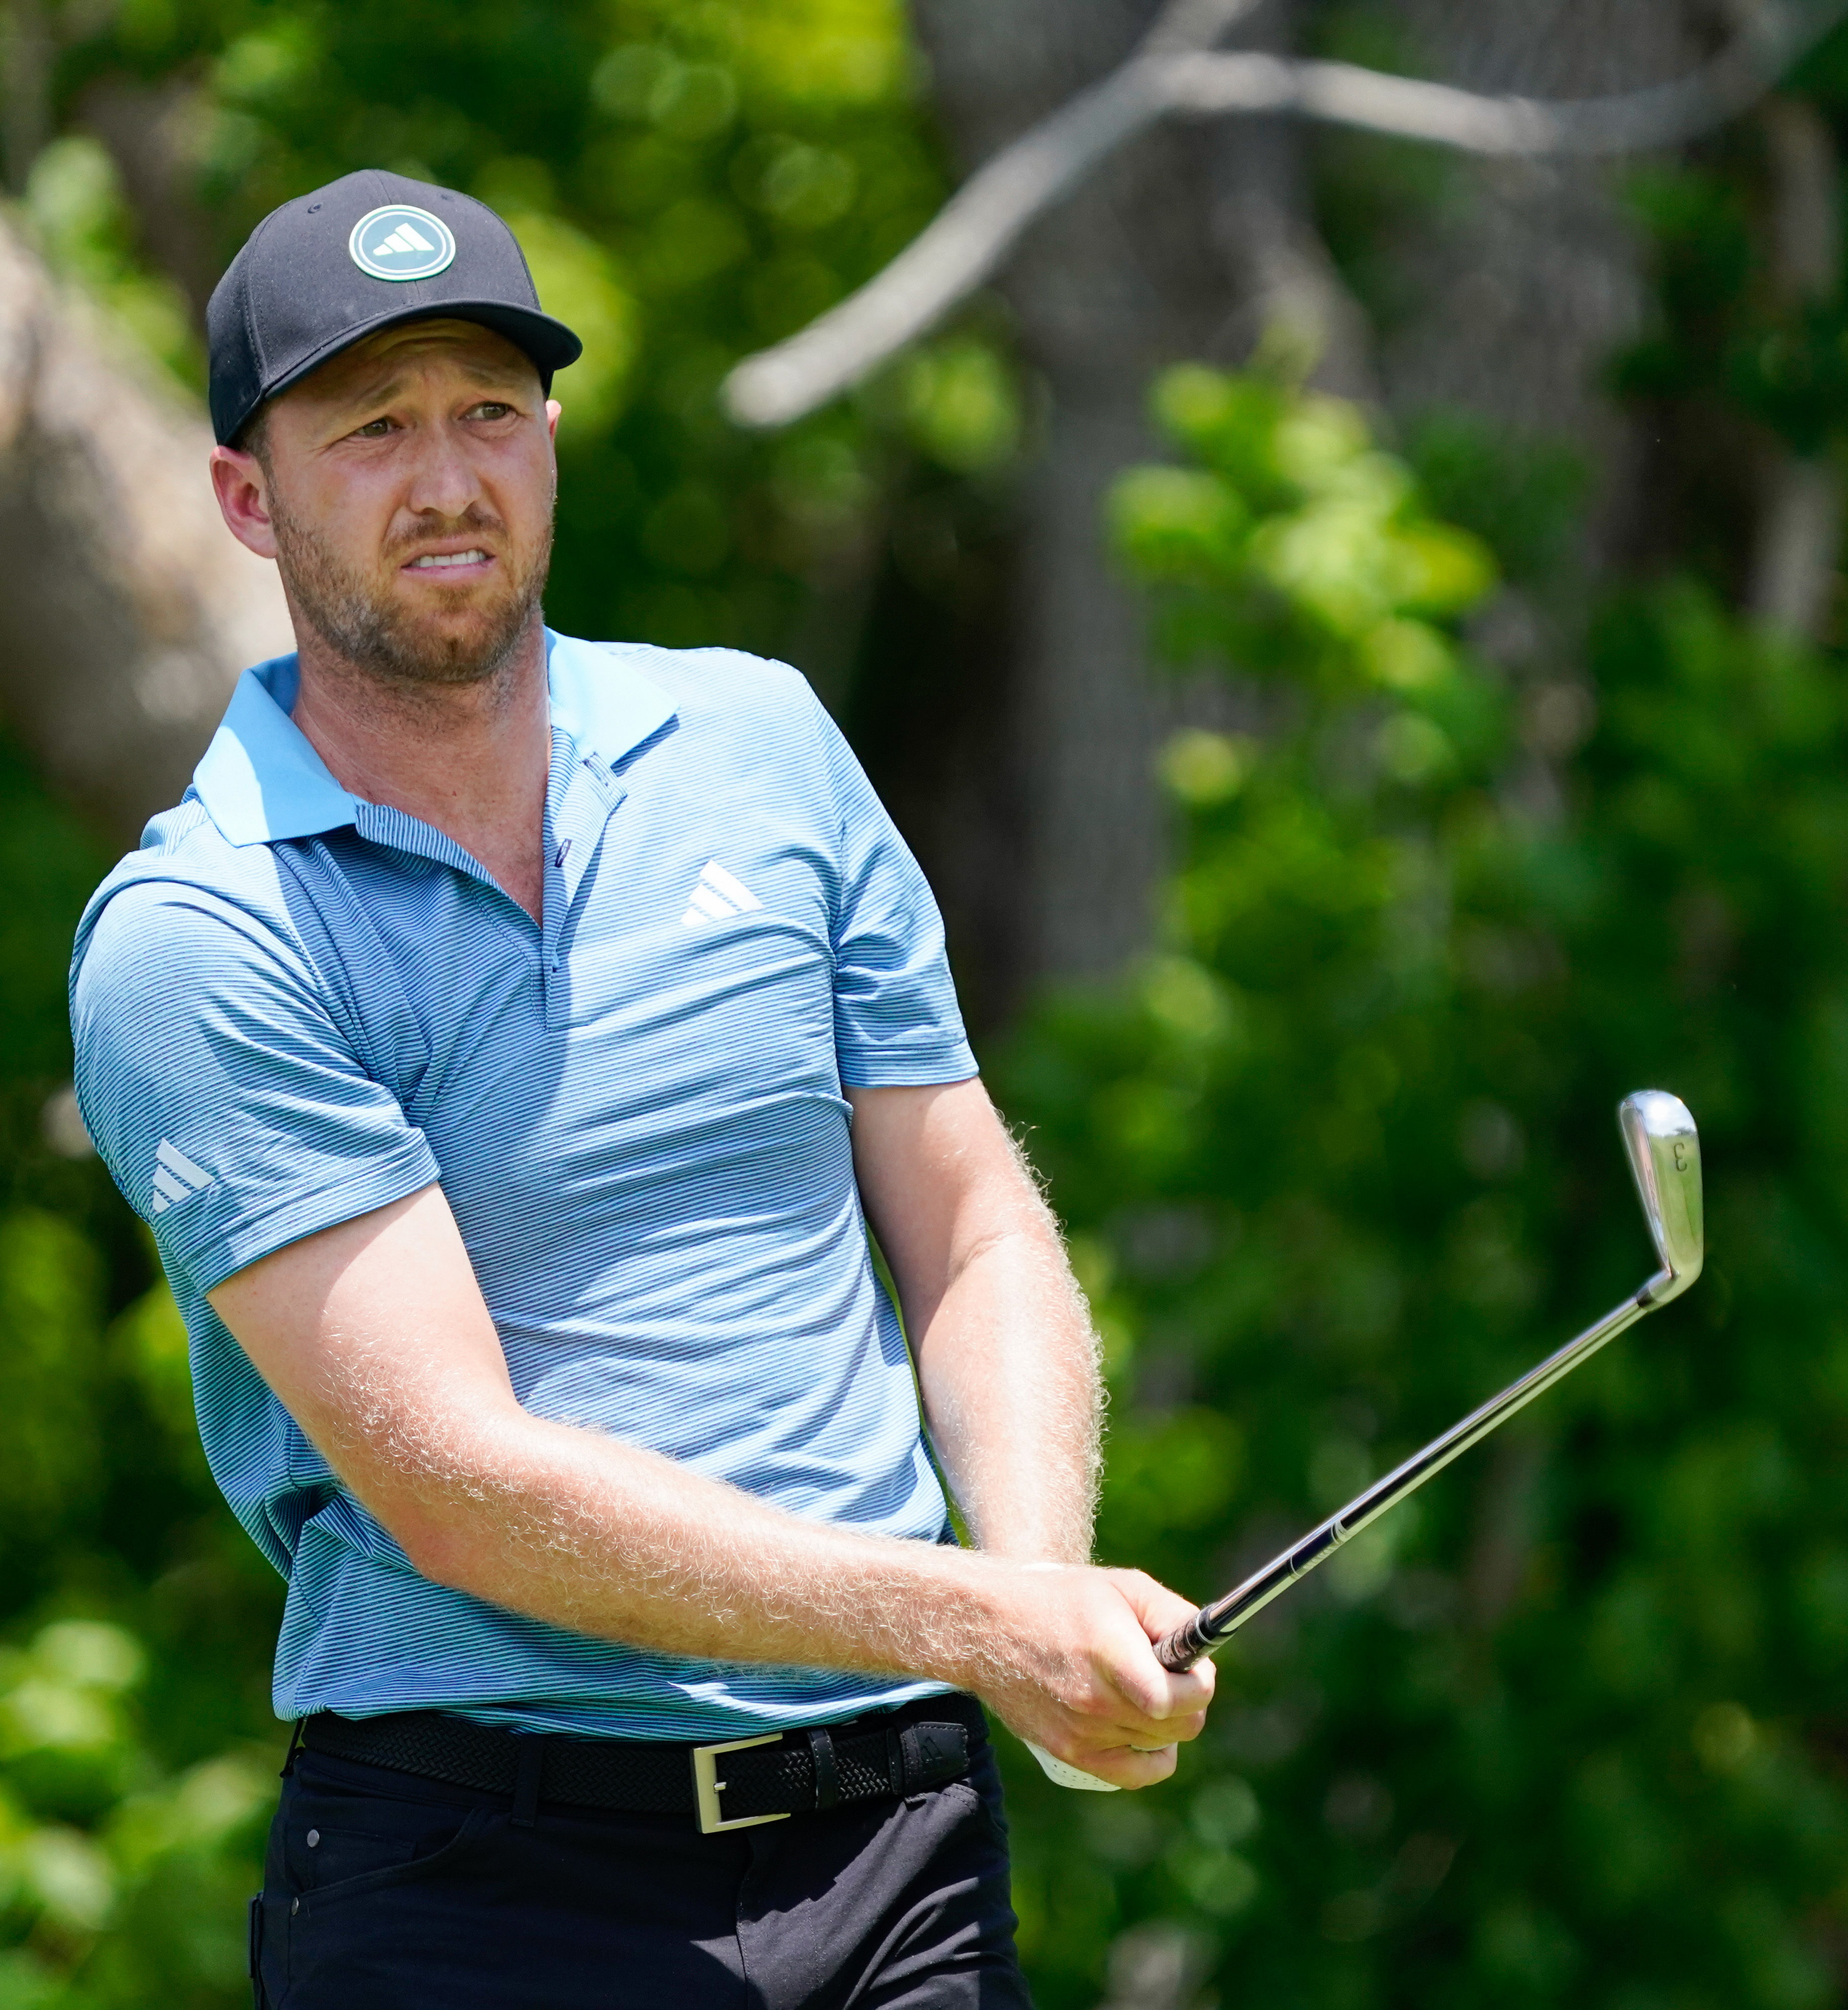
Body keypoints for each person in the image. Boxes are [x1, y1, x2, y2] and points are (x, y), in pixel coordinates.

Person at [68, 168, 1214, 2008]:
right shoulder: (204, 935)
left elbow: (972, 1218)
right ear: (246, 498)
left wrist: (1042, 1587)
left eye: (490, 415)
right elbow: (463, 1491)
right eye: (369, 430)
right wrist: (983, 1622)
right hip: (489, 1879)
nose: (445, 478)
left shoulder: (760, 741)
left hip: (901, 1836)